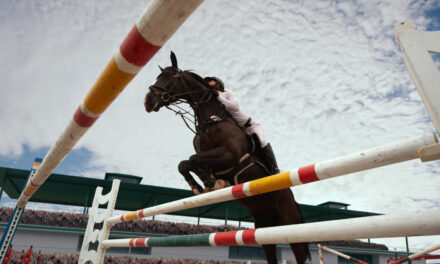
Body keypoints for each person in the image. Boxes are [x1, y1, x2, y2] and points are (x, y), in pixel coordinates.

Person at [204, 76, 280, 174]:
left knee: (261, 141)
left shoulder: (227, 93)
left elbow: (235, 107)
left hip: (250, 126)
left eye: (210, 81)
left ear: (218, 83)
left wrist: (218, 96)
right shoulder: (213, 101)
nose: (208, 83)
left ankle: (275, 169)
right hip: (237, 131)